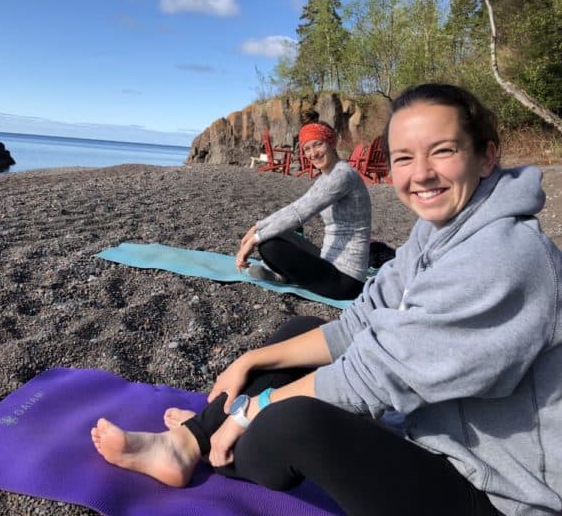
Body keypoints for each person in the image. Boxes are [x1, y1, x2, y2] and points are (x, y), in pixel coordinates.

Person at [91, 83, 562, 516]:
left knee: (291, 422)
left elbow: (376, 377)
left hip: (502, 492)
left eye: (443, 151)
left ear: (486, 157)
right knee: (298, 333)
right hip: (436, 436)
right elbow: (357, 327)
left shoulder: (504, 258)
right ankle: (192, 441)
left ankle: (206, 438)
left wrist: (254, 408)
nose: (421, 174)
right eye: (403, 158)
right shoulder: (435, 231)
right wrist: (250, 360)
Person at [237, 121, 371, 300]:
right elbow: (296, 206)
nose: (313, 153)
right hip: (327, 261)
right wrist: (257, 227)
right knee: (268, 233)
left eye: (318, 144)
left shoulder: (343, 175)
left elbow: (301, 213)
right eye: (307, 148)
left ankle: (284, 275)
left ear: (331, 143)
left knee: (269, 245)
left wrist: (253, 241)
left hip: (346, 281)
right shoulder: (326, 177)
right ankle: (282, 275)